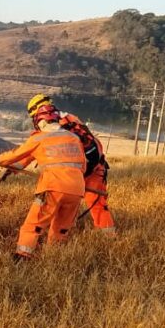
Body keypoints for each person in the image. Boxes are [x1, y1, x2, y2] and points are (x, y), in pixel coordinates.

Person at [0, 103, 86, 261]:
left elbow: (15, 154)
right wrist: (8, 171)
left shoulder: (39, 138)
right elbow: (83, 166)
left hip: (52, 187)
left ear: (41, 122)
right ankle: (54, 259)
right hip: (77, 189)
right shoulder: (74, 138)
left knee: (34, 224)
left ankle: (22, 257)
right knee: (61, 228)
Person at [26, 94, 116, 235]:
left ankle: (56, 238)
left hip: (71, 173)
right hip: (94, 168)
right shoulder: (71, 118)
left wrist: (8, 168)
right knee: (98, 206)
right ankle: (108, 236)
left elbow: (33, 150)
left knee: (59, 204)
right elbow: (93, 143)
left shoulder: (49, 124)